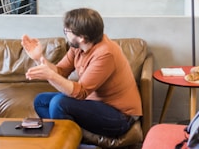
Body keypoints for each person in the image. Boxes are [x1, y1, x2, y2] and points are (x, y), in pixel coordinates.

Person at [22, 8, 142, 137]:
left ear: (81, 38)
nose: (65, 34)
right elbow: (61, 71)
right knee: (41, 101)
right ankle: (73, 139)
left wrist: (50, 76)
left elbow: (81, 92)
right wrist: (38, 58)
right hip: (95, 105)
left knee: (59, 102)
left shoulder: (105, 53)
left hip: (120, 116)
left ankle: (66, 141)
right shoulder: (78, 47)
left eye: (67, 31)